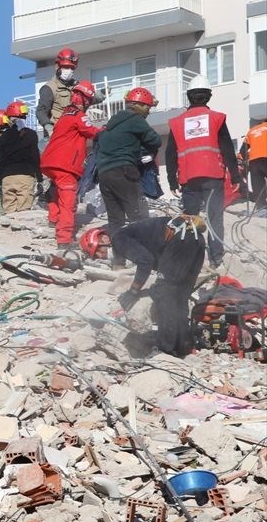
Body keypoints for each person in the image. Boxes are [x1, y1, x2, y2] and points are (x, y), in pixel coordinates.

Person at [165, 76, 242, 267]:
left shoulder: (177, 122)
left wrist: (172, 181)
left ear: (189, 97)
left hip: (188, 178)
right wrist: (236, 175)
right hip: (213, 175)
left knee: (191, 219)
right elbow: (227, 149)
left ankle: (190, 258)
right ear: (209, 96)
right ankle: (216, 258)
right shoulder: (216, 118)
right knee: (214, 217)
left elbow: (169, 154)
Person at [112, 215, 207, 357]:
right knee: (180, 296)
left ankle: (165, 349)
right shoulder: (143, 229)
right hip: (196, 241)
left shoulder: (119, 239)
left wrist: (133, 291)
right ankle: (183, 345)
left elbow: (145, 261)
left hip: (181, 240)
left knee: (165, 293)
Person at [94, 87, 162, 267]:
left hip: (104, 175)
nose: (148, 111)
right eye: (147, 107)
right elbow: (156, 141)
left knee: (116, 221)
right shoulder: (135, 120)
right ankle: (148, 260)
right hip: (124, 170)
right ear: (139, 106)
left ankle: (119, 262)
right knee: (139, 216)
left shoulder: (110, 124)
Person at [41, 83, 102, 250]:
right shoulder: (79, 115)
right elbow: (91, 132)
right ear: (85, 99)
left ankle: (54, 219)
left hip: (50, 161)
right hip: (65, 164)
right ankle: (64, 239)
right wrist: (105, 130)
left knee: (56, 192)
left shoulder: (65, 113)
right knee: (68, 201)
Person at [0, 101, 42, 213]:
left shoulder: (3, 137)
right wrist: (39, 177)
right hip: (25, 175)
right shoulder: (31, 134)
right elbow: (35, 156)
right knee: (23, 213)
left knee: (8, 214)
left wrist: (1, 180)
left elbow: (0, 160)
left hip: (7, 177)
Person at [36, 47, 79, 138]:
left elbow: (86, 100)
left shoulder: (77, 86)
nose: (69, 71)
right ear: (57, 66)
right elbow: (41, 111)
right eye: (66, 67)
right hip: (57, 135)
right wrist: (48, 127)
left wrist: (99, 96)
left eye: (72, 68)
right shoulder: (49, 88)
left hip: (75, 133)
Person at [243, 119, 267, 208]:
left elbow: (243, 149)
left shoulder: (251, 131)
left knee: (258, 185)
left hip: (254, 161)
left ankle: (261, 206)